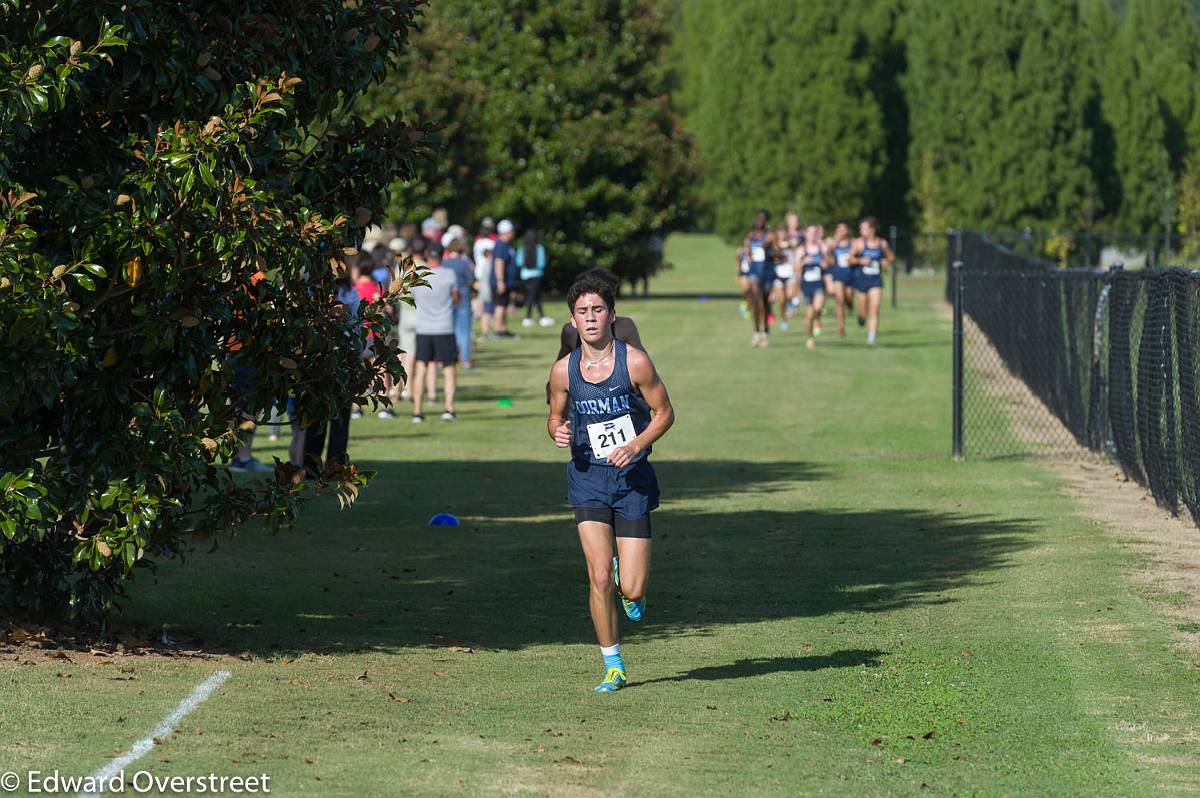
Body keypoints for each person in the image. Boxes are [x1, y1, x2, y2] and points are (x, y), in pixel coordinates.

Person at [546, 275, 675, 693]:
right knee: (598, 574)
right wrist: (556, 431)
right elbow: (554, 414)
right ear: (573, 320)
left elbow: (665, 414)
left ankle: (629, 583)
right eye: (582, 312)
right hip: (587, 478)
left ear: (612, 315)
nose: (590, 318)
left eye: (597, 310)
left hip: (631, 479)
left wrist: (636, 444)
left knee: (631, 588)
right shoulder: (563, 371)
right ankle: (613, 664)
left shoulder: (634, 361)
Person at [409, 244, 460, 422]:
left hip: (423, 328)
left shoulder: (416, 276)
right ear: (442, 255)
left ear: (426, 255)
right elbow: (456, 298)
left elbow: (413, 297)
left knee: (421, 369)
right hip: (444, 327)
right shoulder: (449, 274)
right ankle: (449, 408)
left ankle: (417, 411)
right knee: (448, 369)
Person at [850, 216, 895, 346]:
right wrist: (860, 261)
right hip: (861, 280)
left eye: (864, 228)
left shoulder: (882, 243)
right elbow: (850, 259)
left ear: (872, 229)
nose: (861, 230)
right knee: (863, 310)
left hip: (876, 280)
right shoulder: (859, 243)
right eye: (861, 228)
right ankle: (862, 317)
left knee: (874, 309)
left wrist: (885, 261)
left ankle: (871, 338)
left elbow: (891, 257)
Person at [743, 209, 776, 347]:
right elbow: (748, 251)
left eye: (762, 219)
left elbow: (766, 245)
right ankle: (756, 331)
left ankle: (766, 332)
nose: (759, 222)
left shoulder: (770, 235)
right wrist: (748, 255)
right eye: (758, 219)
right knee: (756, 299)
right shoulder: (750, 236)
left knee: (766, 303)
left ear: (766, 221)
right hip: (754, 272)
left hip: (767, 272)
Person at [442, 237, 477, 369]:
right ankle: (465, 360)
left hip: (448, 299)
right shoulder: (464, 263)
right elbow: (471, 280)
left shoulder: (444, 263)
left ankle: (448, 358)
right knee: (464, 331)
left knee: (448, 330)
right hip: (463, 298)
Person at [797, 225, 828, 349]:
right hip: (806, 285)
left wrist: (826, 263)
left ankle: (817, 320)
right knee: (809, 315)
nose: (813, 235)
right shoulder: (801, 249)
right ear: (805, 234)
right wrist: (803, 262)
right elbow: (795, 268)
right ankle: (810, 337)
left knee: (818, 307)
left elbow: (831, 262)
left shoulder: (822, 247)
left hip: (819, 282)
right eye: (810, 232)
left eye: (815, 232)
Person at [517, 227, 553, 327]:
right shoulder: (539, 248)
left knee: (535, 296)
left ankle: (542, 317)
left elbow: (519, 262)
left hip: (525, 275)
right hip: (536, 275)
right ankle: (527, 317)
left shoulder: (522, 247)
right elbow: (542, 263)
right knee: (532, 296)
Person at [826, 222, 855, 338]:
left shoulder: (852, 243)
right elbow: (828, 255)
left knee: (848, 297)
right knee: (839, 300)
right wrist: (830, 255)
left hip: (850, 275)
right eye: (839, 229)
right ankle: (841, 327)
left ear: (847, 231)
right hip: (838, 274)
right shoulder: (834, 243)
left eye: (844, 229)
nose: (841, 232)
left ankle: (850, 306)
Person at [491, 219, 518, 337]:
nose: (513, 233)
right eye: (512, 231)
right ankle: (498, 331)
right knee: (500, 305)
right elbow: (499, 262)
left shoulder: (506, 245)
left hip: (506, 281)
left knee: (504, 305)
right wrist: (500, 281)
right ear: (506, 231)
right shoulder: (500, 245)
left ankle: (503, 329)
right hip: (501, 281)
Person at [473, 220, 497, 338]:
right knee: (487, 297)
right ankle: (485, 318)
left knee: (481, 295)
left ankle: (479, 313)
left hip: (479, 270)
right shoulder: (491, 242)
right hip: (488, 270)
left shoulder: (477, 242)